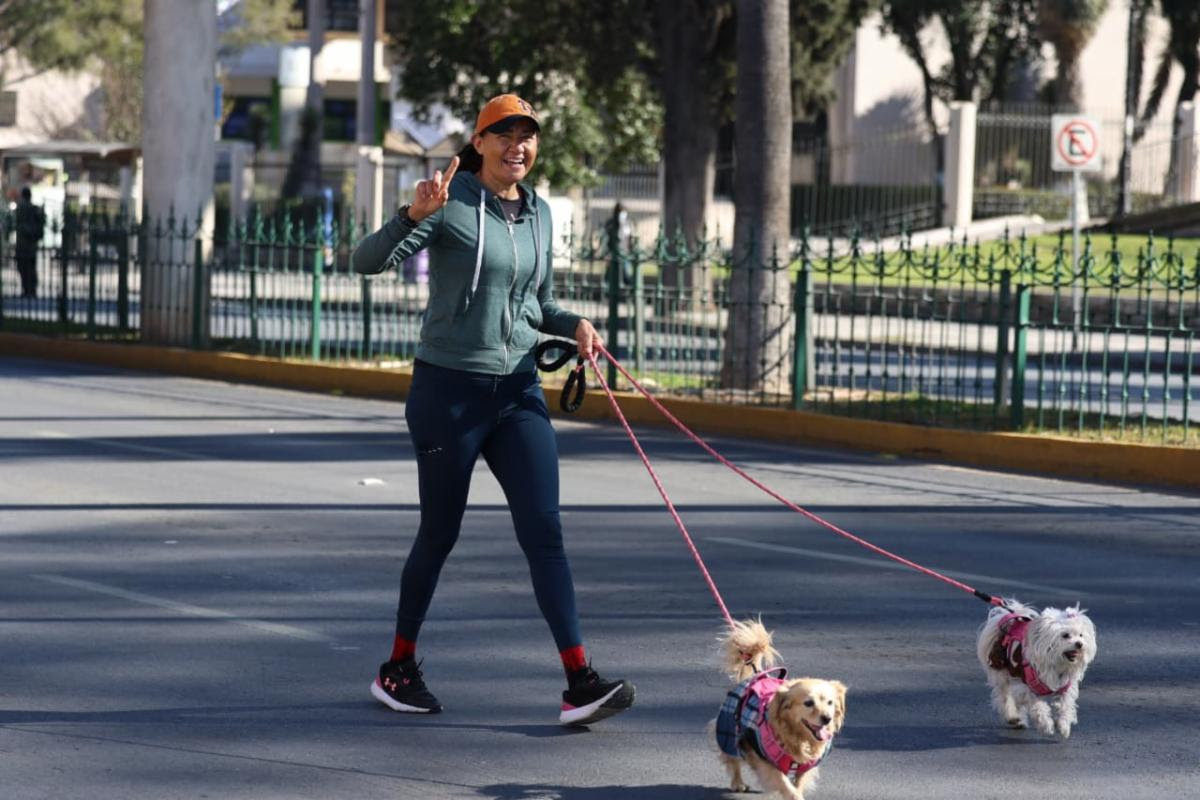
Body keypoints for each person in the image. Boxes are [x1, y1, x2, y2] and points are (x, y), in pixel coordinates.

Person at [351, 94, 635, 726]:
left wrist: (576, 324)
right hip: (447, 393)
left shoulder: (538, 214)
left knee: (546, 533)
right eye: (504, 134)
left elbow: (538, 304)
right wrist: (410, 216)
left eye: (527, 135)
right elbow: (364, 262)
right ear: (478, 143)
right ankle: (397, 667)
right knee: (440, 531)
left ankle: (579, 680)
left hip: (517, 392)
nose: (518, 146)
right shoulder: (449, 202)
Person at [15, 187, 46, 298]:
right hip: (31, 246)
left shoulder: (22, 208)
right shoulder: (34, 209)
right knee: (30, 269)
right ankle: (31, 290)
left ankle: (28, 290)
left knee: (24, 268)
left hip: (23, 245)